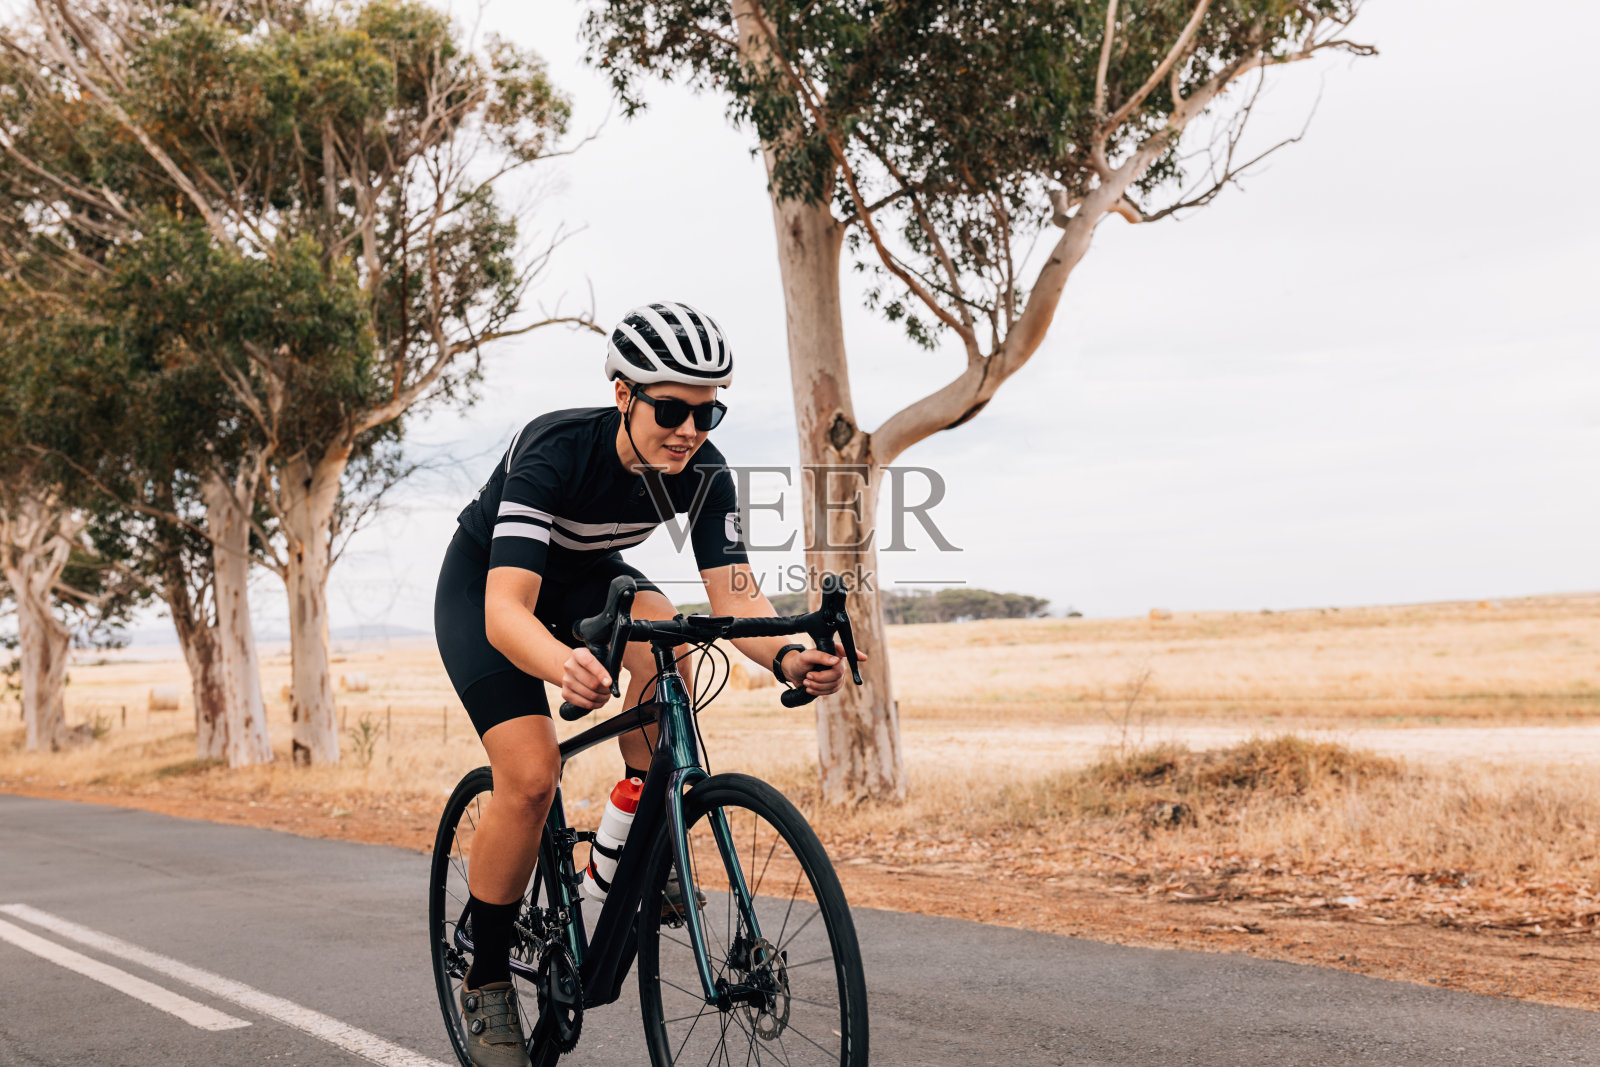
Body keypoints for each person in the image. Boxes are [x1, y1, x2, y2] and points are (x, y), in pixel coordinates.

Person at [432, 301, 865, 1067]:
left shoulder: (702, 472)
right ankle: (488, 973)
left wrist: (792, 658)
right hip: (488, 590)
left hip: (585, 581)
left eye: (708, 412)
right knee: (531, 777)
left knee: (667, 636)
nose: (691, 430)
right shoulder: (555, 450)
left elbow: (736, 600)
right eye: (672, 408)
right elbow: (507, 612)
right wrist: (560, 663)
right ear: (625, 394)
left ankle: (636, 842)